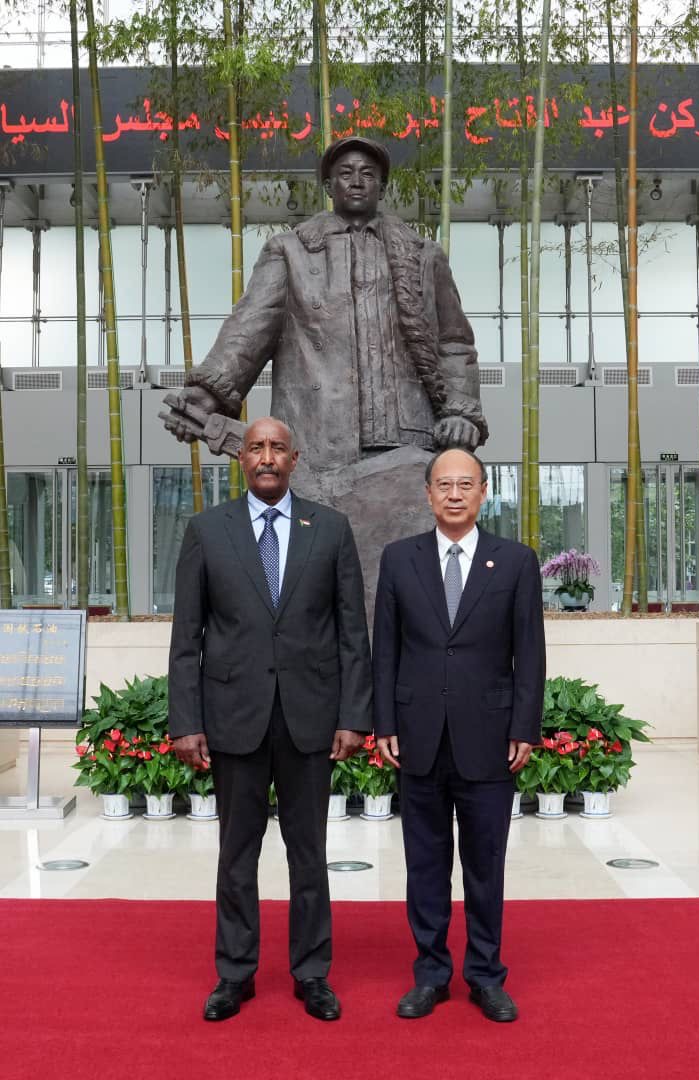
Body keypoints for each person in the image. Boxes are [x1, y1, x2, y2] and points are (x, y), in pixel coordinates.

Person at [168, 416, 372, 1023]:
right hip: (235, 718)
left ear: (294, 459)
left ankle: (312, 973)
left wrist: (353, 715)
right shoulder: (207, 531)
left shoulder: (330, 529)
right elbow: (187, 637)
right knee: (237, 854)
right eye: (256, 447)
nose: (266, 457)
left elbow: (352, 633)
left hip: (311, 719)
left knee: (310, 854)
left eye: (277, 448)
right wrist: (186, 721)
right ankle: (235, 973)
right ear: (242, 458)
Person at [164, 135, 488, 469]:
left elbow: (454, 343)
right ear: (329, 186)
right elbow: (249, 328)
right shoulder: (290, 252)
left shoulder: (423, 256)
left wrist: (461, 413)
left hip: (408, 437)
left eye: (368, 174)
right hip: (316, 434)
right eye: (346, 173)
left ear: (383, 188)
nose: (357, 181)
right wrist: (208, 394)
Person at [372, 448, 545, 1022]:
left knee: (485, 865)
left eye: (465, 484)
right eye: (443, 484)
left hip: (490, 738)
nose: (454, 494)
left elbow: (530, 654)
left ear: (483, 492)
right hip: (417, 736)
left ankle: (486, 975)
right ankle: (430, 974)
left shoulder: (515, 561)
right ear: (427, 493)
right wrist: (384, 723)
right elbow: (385, 649)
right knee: (424, 864)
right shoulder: (400, 559)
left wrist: (524, 726)